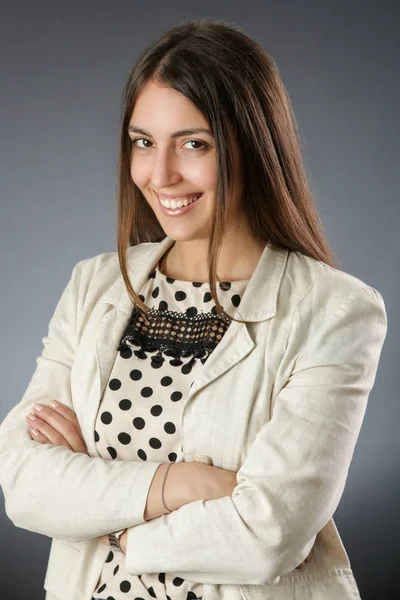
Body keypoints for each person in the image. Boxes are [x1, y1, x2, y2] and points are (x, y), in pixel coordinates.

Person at [0, 17, 387, 600]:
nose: (160, 175)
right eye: (143, 142)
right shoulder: (94, 287)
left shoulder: (336, 310)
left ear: (252, 145)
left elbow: (269, 533)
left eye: (194, 144)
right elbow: (25, 483)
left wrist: (109, 518)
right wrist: (181, 484)